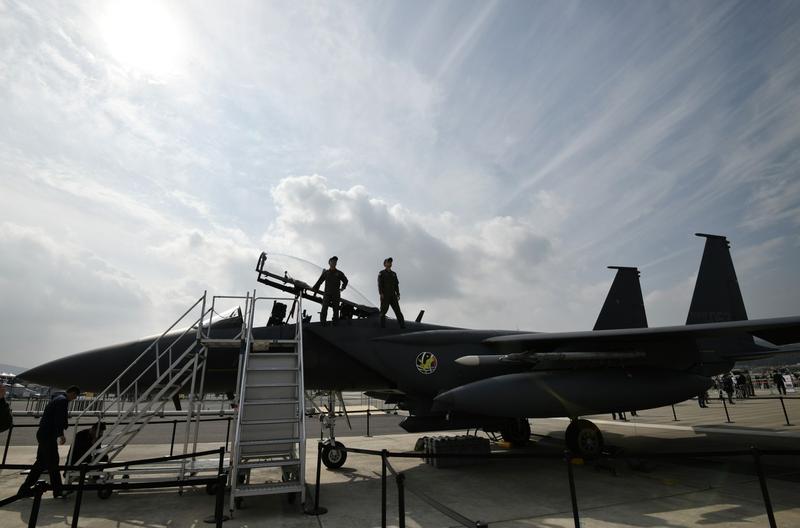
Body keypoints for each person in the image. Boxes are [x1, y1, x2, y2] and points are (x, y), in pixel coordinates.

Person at [18, 385, 80, 498]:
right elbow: (59, 419)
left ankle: (24, 489)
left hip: (44, 435)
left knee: (41, 464)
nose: (74, 399)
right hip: (48, 436)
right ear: (72, 393)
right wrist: (61, 435)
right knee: (53, 463)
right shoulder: (63, 401)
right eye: (75, 396)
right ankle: (58, 490)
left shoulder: (58, 398)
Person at [312, 256, 348, 325]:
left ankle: (335, 324)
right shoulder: (326, 273)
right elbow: (319, 281)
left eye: (335, 262)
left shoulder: (339, 273)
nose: (334, 263)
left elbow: (345, 281)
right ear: (329, 263)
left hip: (336, 294)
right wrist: (314, 289)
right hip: (327, 294)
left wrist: (343, 287)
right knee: (324, 308)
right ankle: (323, 323)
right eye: (333, 261)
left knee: (336, 310)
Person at [378, 257, 405, 328]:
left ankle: (402, 326)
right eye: (388, 262)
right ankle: (382, 326)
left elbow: (396, 285)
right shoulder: (382, 273)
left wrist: (398, 293)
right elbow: (380, 284)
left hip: (393, 295)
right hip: (385, 295)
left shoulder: (394, 274)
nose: (390, 263)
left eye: (390, 262)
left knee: (398, 311)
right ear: (385, 264)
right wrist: (381, 293)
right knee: (383, 311)